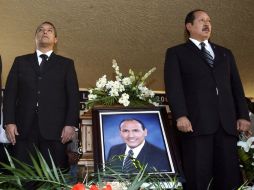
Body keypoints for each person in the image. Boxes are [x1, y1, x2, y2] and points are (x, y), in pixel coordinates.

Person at [164, 9, 251, 190]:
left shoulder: (225, 53)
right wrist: (180, 115)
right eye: (202, 20)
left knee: (229, 176)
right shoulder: (176, 53)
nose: (207, 24)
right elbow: (174, 88)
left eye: (209, 21)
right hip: (195, 125)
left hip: (227, 125)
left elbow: (236, 86)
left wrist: (242, 115)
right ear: (189, 26)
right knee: (198, 175)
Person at [3, 21, 80, 170]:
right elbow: (10, 94)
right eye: (41, 30)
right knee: (25, 175)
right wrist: (9, 122)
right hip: (23, 128)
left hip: (56, 130)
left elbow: (73, 96)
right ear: (35, 37)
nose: (45, 32)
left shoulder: (66, 64)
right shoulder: (20, 61)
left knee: (54, 174)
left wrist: (71, 124)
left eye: (49, 30)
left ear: (55, 39)